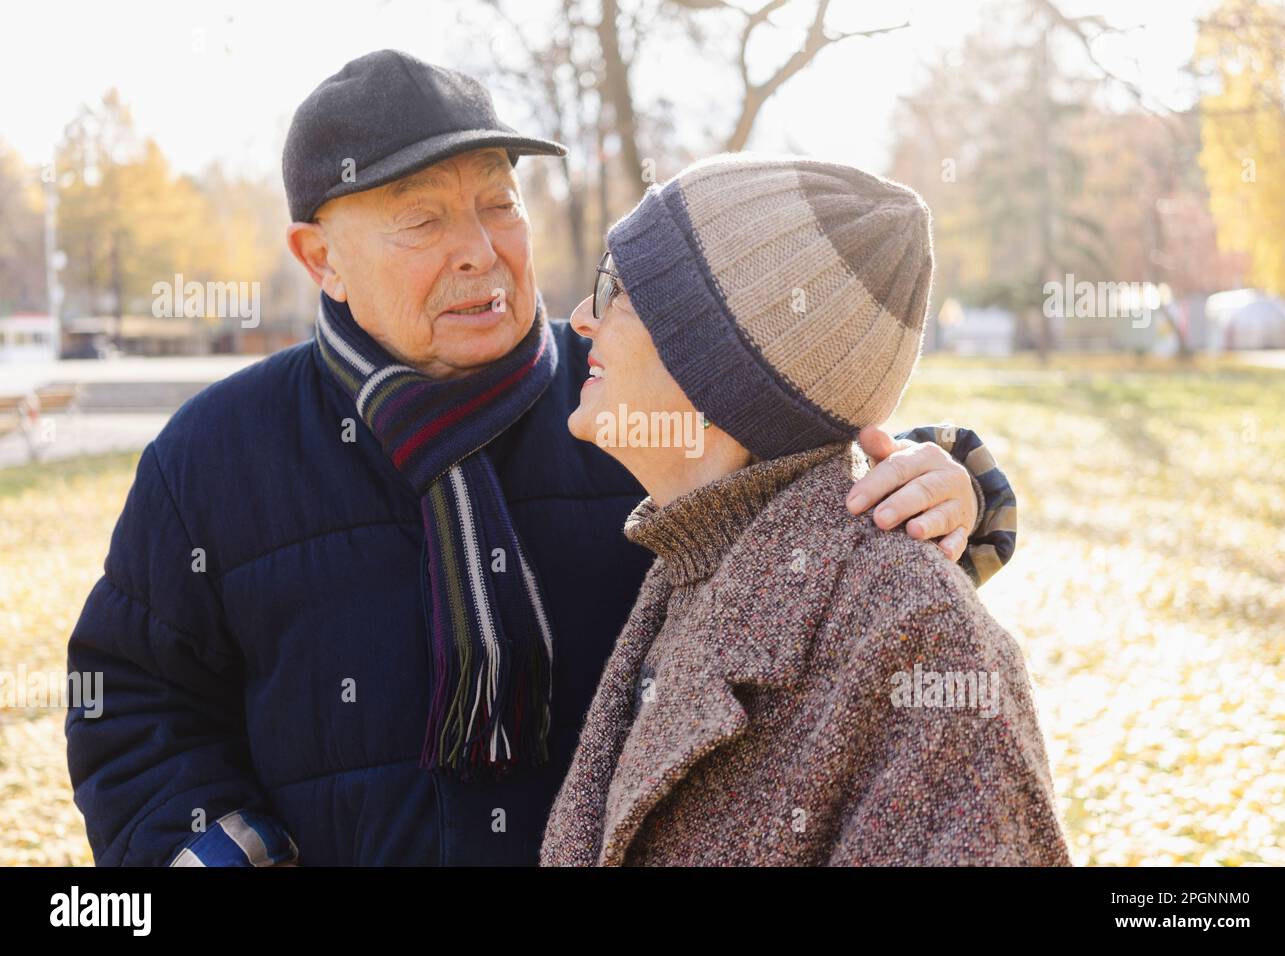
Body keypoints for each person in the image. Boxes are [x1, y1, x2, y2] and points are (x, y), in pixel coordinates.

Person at [65, 50, 1018, 866]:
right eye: (422, 219)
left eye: (499, 203)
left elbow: (789, 460)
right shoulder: (218, 455)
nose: (481, 251)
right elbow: (131, 699)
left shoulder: (622, 406)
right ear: (321, 260)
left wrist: (954, 483)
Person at [541, 154, 1069, 866]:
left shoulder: (922, 640)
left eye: (616, 287)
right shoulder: (689, 565)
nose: (578, 319)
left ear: (715, 360)